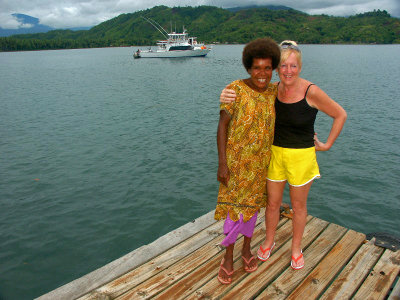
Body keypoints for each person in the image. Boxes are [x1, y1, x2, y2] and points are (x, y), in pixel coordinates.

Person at [220, 40, 347, 270]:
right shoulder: (272, 89)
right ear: (277, 68)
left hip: (301, 157)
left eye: (293, 66)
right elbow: (246, 89)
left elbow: (340, 114)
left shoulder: (312, 91)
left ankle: (296, 249)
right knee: (272, 204)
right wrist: (225, 94)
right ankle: (269, 241)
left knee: (298, 207)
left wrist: (327, 145)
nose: (288, 71)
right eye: (284, 66)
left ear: (300, 67)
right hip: (275, 155)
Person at [215, 38, 281, 284]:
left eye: (267, 68)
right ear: (248, 68)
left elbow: (298, 96)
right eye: (256, 68)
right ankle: (229, 256)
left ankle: (246, 249)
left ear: (273, 68)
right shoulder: (235, 90)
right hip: (235, 164)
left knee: (252, 210)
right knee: (233, 211)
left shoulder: (276, 92)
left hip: (262, 164)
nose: (261, 73)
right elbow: (222, 127)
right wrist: (222, 162)